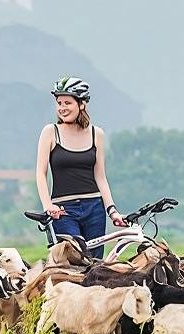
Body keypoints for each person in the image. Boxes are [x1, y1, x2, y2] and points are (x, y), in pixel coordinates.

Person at [35, 76, 128, 258]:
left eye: (67, 103)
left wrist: (112, 211)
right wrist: (48, 205)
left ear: (82, 104)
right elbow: (41, 173)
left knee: (95, 266)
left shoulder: (96, 134)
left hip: (94, 207)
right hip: (63, 211)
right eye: (59, 103)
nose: (62, 108)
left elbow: (100, 177)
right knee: (73, 261)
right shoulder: (50, 132)